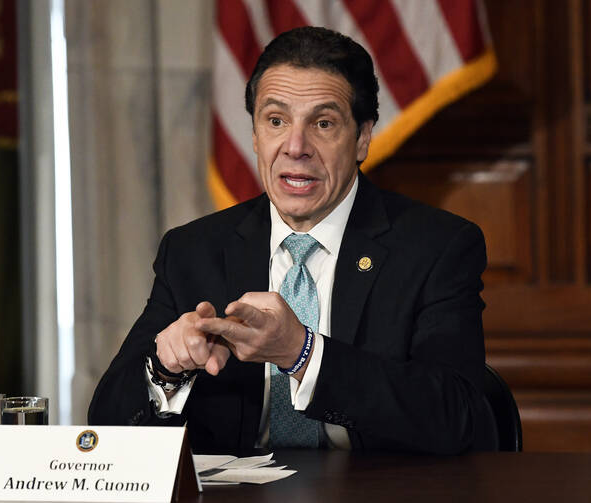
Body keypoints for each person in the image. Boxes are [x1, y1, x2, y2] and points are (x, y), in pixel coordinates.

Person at [88, 26, 497, 454]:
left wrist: (302, 353)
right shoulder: (193, 251)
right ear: (254, 135)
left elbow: (460, 418)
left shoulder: (437, 248)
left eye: (323, 123)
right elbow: (105, 425)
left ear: (362, 138)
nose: (295, 146)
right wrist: (166, 370)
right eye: (276, 121)